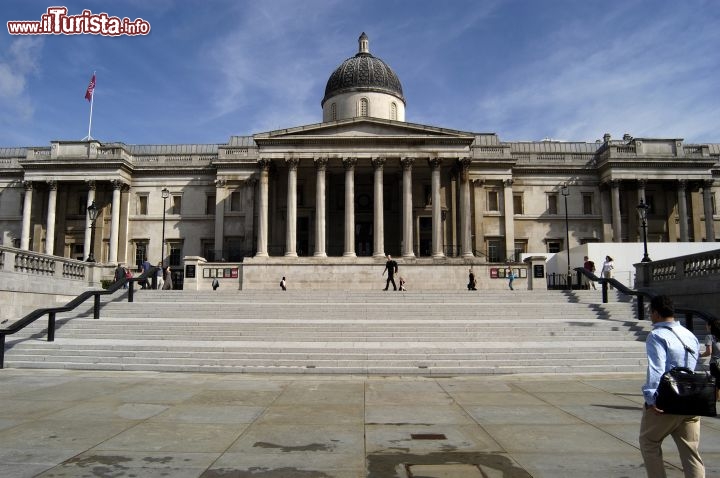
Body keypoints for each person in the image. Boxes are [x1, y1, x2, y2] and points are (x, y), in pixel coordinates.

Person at [640, 295, 705, 478]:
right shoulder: (689, 334)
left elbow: (656, 369)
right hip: (691, 399)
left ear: (655, 313)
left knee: (649, 442)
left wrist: (651, 398)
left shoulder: (656, 335)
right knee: (690, 451)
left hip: (667, 400)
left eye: (650, 312)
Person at [700, 322, 720, 400]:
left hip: (715, 364)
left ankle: (716, 400)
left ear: (711, 326)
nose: (706, 327)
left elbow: (709, 352)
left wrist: (700, 355)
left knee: (715, 383)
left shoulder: (709, 337)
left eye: (707, 325)